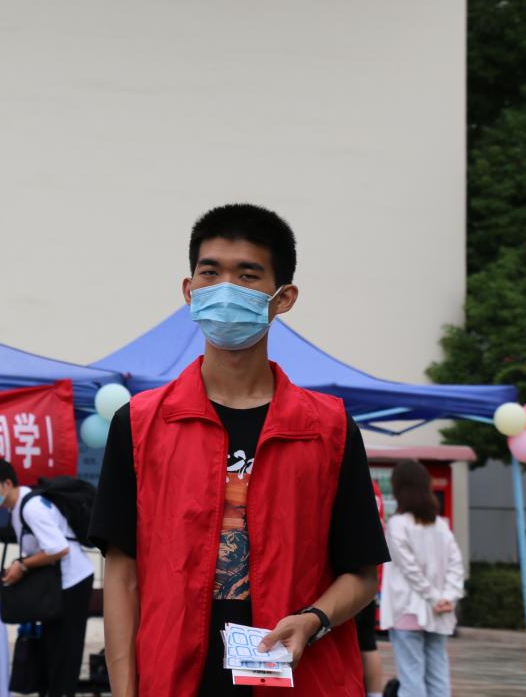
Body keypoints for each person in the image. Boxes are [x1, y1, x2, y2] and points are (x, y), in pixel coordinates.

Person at [89, 203, 391, 696]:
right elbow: (123, 575)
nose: (226, 288)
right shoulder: (141, 424)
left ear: (283, 297)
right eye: (210, 272)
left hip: (300, 677)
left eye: (247, 275)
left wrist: (313, 619)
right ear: (189, 290)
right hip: (175, 678)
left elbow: (361, 574)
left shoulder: (329, 429)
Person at [0, 459, 94, 697]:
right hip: (59, 584)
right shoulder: (18, 507)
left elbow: (58, 549)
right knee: (51, 650)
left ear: (7, 483)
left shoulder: (31, 508)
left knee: (64, 654)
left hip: (72, 582)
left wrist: (22, 565)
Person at [380, 461, 464, 697]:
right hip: (439, 613)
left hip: (408, 609)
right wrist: (447, 597)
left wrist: (434, 598)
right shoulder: (440, 526)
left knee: (411, 679)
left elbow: (409, 569)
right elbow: (456, 564)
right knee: (439, 677)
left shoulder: (397, 524)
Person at [357, 479, 388, 697]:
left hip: (352, 573)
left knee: (357, 641)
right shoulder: (374, 488)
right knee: (368, 642)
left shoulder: (360, 484)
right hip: (372, 572)